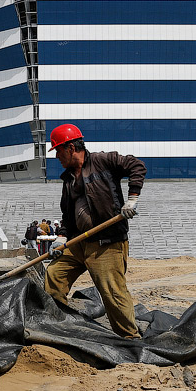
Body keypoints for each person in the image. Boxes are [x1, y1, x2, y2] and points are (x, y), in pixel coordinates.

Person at [44, 123, 146, 339]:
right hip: (79, 242)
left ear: (71, 148)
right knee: (54, 275)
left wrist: (132, 199)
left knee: (113, 293)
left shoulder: (103, 161)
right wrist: (61, 237)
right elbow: (67, 214)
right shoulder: (68, 179)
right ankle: (56, 326)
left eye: (58, 151)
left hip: (107, 243)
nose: (57, 157)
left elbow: (136, 166)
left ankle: (130, 339)